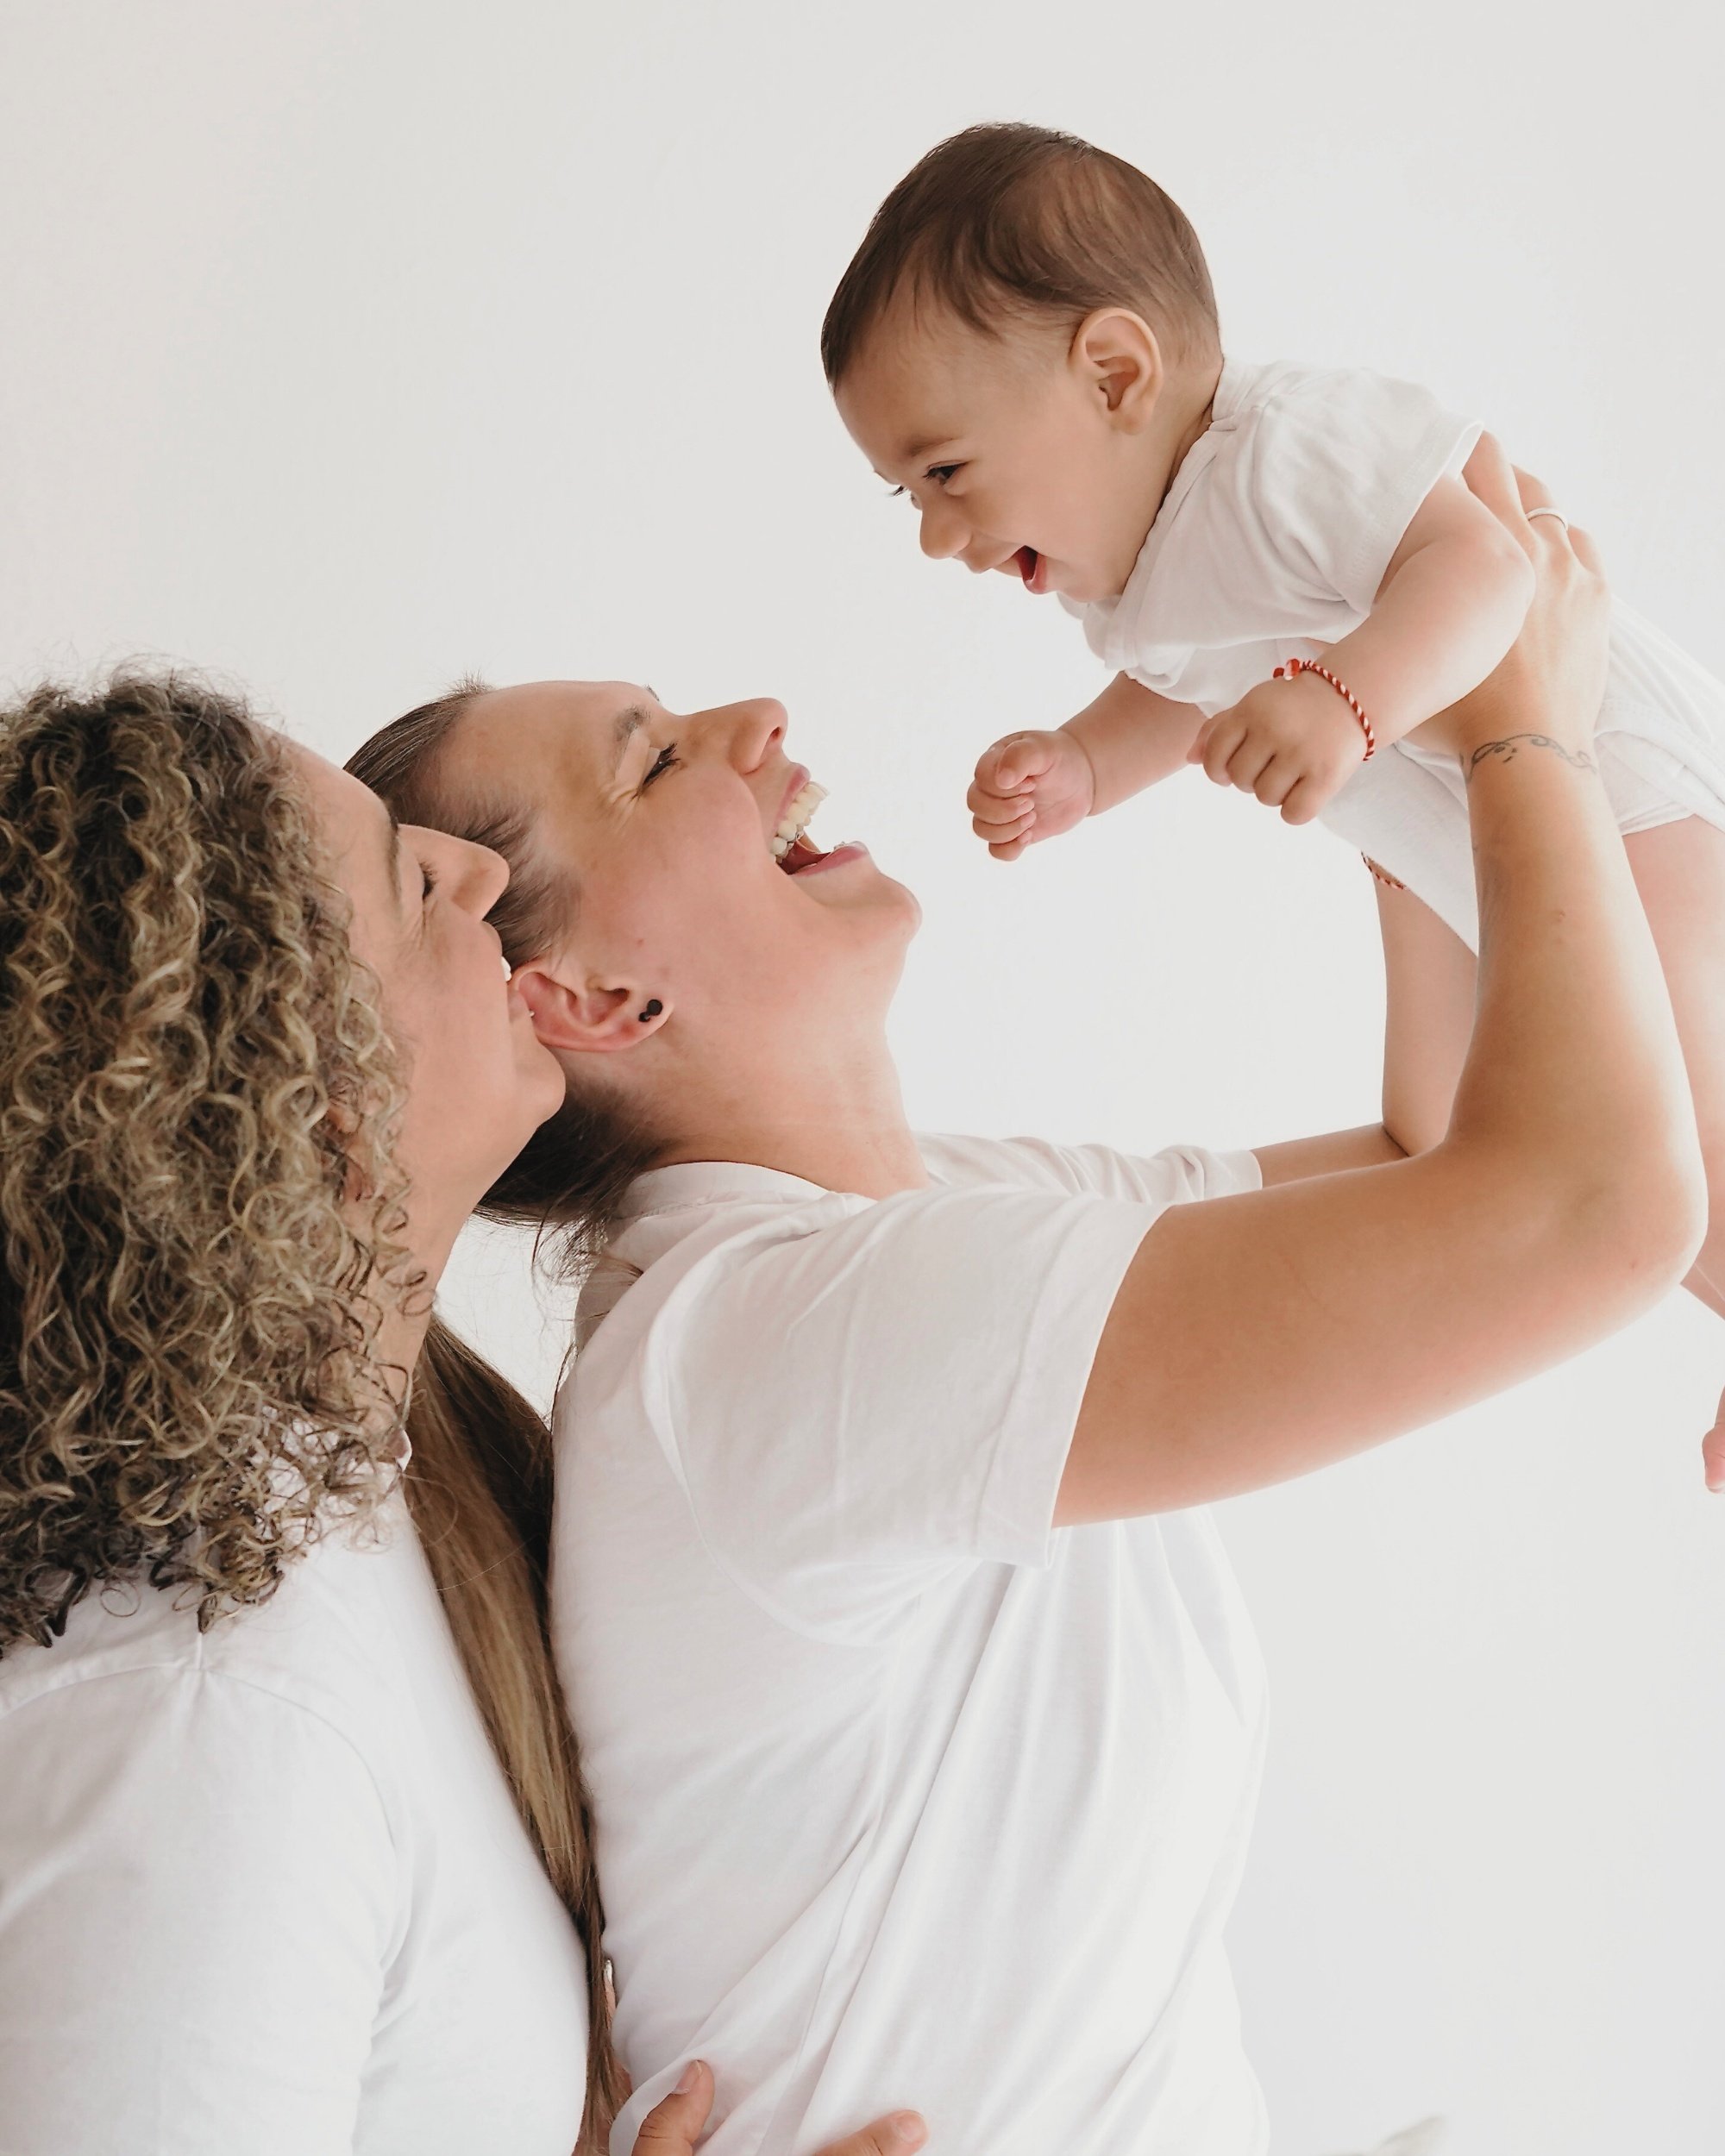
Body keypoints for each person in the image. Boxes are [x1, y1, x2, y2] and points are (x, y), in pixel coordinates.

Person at [347, 450, 1703, 2156]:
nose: (755, 715)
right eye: (656, 757)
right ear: (595, 993)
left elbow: (1442, 1149)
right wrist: (1526, 731)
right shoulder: (780, 1340)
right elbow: (1583, 1205)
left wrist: (1391, 762)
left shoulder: (925, 1224)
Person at [0, 671, 926, 2156]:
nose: (483, 880)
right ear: (291, 1088)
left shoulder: (418, 1501)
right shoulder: (196, 1738)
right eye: (410, 877)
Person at [820, 122, 1725, 1476]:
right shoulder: (1132, 581)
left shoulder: (1285, 448)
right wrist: (1080, 766)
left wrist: (1349, 700)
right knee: (1458, 1133)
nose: (938, 536)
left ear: (1116, 371)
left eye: (946, 474)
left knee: (1677, 1121)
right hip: (1451, 830)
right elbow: (1182, 693)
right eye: (907, 497)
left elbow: (1487, 567)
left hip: (1621, 781)